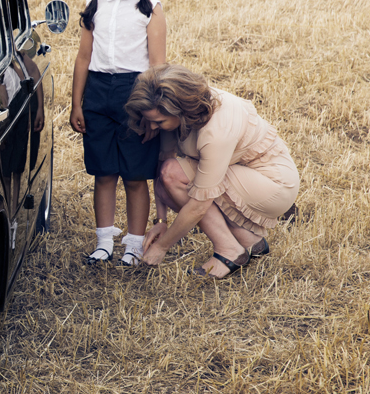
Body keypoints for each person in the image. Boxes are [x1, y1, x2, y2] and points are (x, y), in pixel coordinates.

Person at [125, 64, 299, 279]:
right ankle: (249, 241)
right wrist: (161, 222)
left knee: (176, 177)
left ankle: (229, 250)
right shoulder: (182, 113)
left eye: (157, 122)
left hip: (272, 184)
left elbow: (198, 206)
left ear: (178, 109)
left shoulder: (216, 131)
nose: (151, 128)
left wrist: (161, 247)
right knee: (166, 180)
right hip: (239, 173)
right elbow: (164, 165)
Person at [71, 0, 167, 266]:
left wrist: (154, 112)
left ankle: (134, 244)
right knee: (104, 173)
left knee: (135, 175)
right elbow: (83, 58)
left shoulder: (150, 9)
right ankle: (104, 241)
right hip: (97, 94)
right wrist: (76, 103)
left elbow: (157, 66)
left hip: (136, 93)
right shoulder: (94, 4)